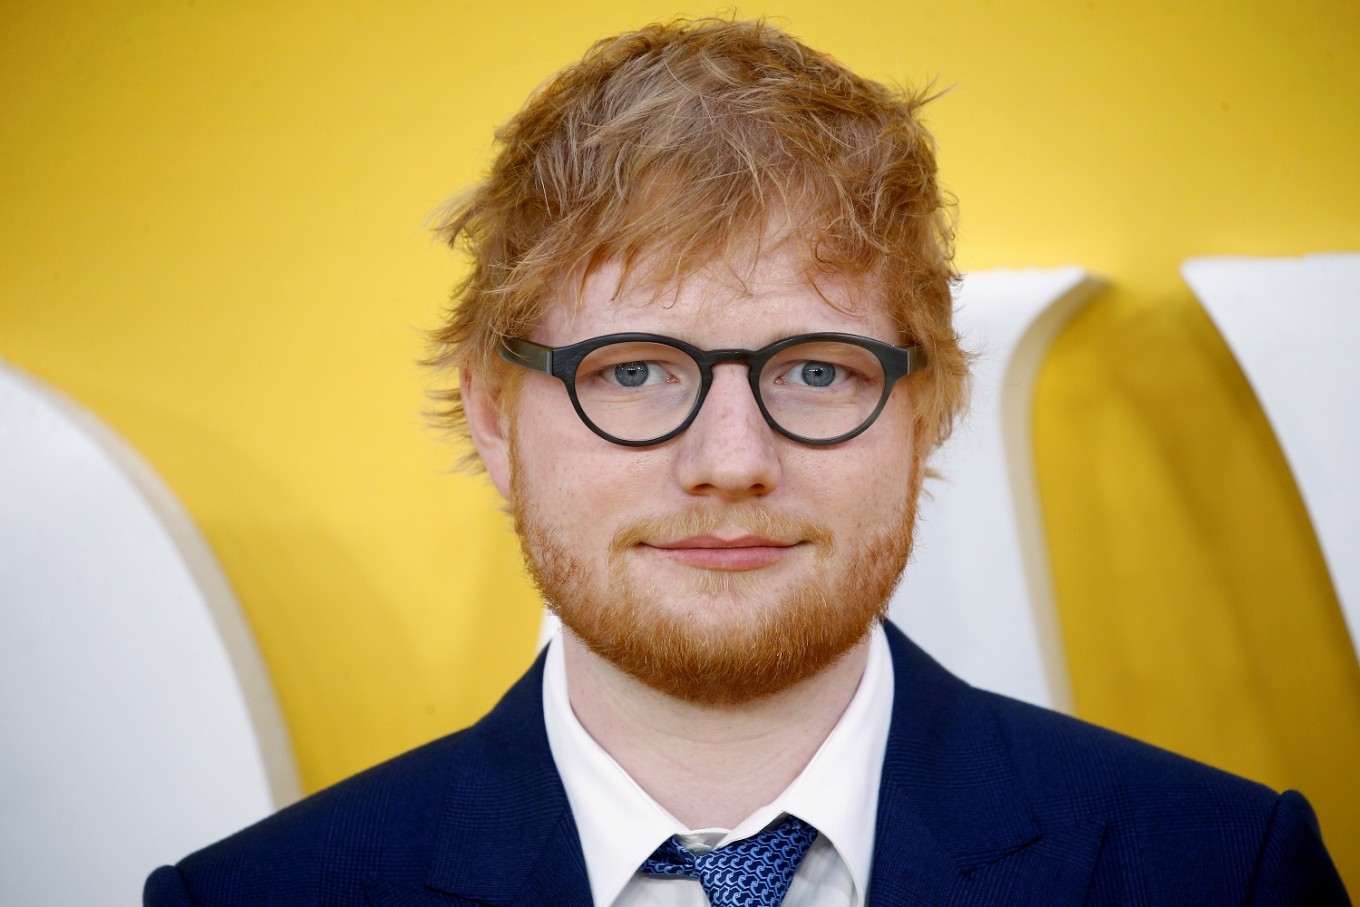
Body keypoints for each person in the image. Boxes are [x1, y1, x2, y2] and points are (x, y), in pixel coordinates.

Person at [144, 17, 1348, 907]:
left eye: (817, 370)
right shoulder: (251, 902)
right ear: (496, 421)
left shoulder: (1219, 872)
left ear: (924, 410)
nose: (732, 460)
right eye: (633, 372)